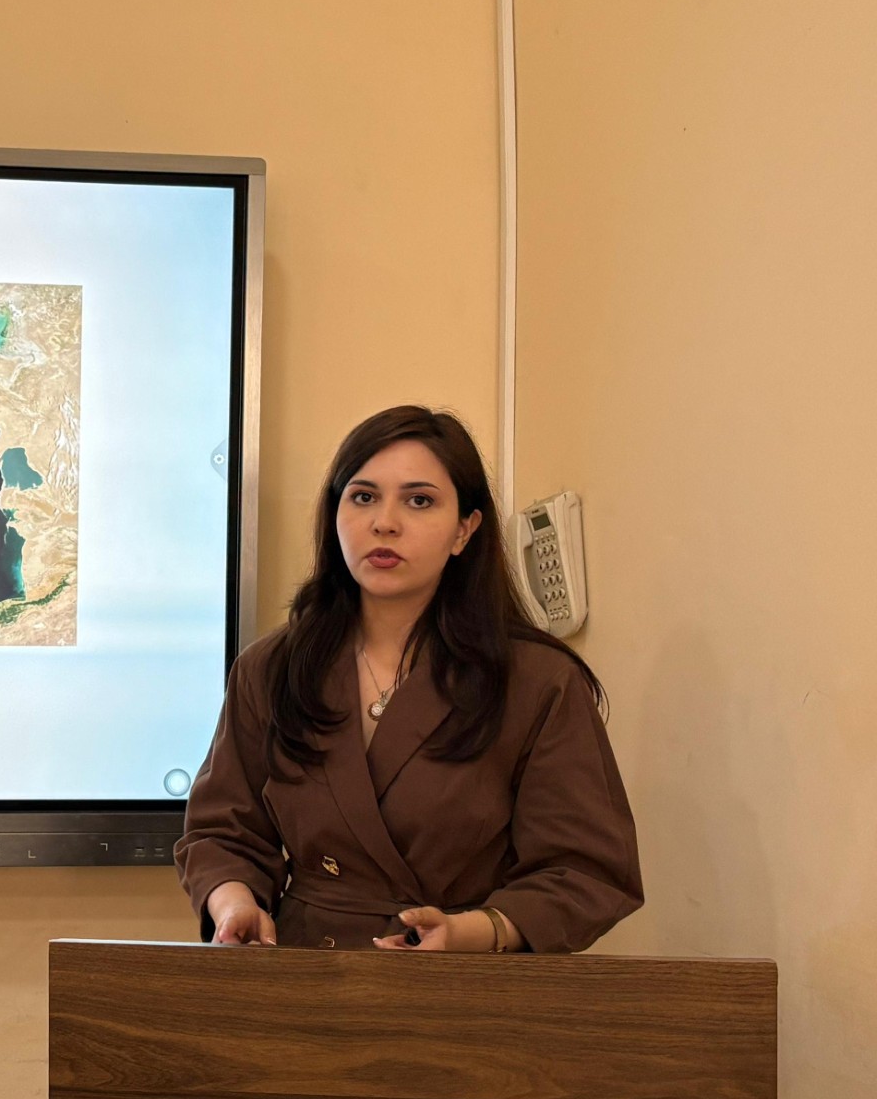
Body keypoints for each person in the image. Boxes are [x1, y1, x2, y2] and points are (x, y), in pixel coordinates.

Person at [175, 406, 642, 952]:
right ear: (335, 515)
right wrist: (234, 904)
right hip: (303, 970)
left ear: (465, 530)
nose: (384, 522)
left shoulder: (539, 681)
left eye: (419, 500)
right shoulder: (272, 667)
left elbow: (585, 870)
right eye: (363, 497)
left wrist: (475, 931)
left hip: (464, 983)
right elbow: (223, 832)